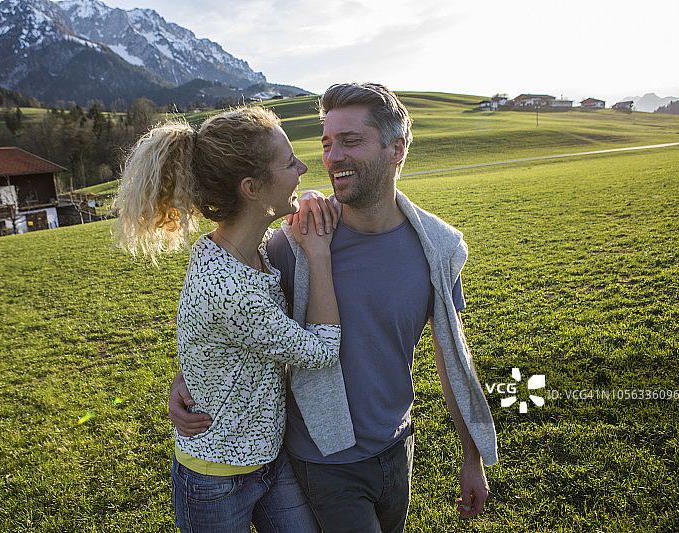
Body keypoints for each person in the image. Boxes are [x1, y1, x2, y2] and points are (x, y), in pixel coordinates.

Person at [169, 84, 499, 532]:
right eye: (326, 142)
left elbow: (452, 358)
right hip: (321, 458)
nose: (331, 157)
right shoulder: (297, 240)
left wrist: (471, 454)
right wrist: (188, 372)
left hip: (398, 446)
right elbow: (227, 315)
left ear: (397, 148)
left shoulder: (437, 248)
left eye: (350, 140)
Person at [114, 106, 342, 533]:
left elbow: (209, 340)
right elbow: (322, 350)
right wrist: (319, 254)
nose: (304, 167)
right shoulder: (230, 289)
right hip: (216, 478)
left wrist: (187, 374)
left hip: (270, 458)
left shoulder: (232, 247)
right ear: (252, 188)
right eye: (290, 163)